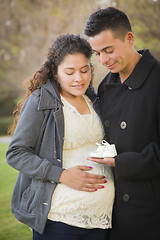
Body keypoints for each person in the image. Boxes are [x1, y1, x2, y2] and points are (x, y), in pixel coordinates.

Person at [6, 34, 115, 240]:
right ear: (55, 72)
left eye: (84, 70)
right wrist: (62, 175)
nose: (79, 78)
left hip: (101, 220)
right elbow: (16, 153)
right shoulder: (41, 100)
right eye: (70, 72)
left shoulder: (94, 99)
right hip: (59, 221)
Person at [84, 7, 160, 240]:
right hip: (112, 214)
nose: (103, 60)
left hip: (150, 214)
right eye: (97, 53)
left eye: (108, 50)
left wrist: (122, 162)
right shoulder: (106, 86)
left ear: (129, 38)